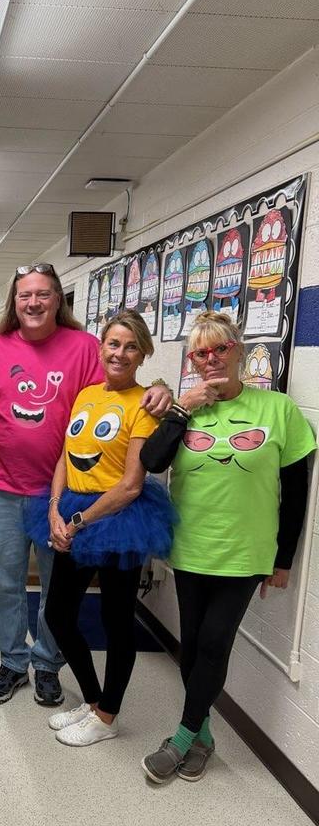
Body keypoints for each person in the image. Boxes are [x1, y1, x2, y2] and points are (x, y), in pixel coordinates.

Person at [0, 263, 171, 707]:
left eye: (43, 294)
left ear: (58, 300)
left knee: (54, 589)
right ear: (14, 302)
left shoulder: (86, 346)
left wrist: (162, 387)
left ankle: (47, 663)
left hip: (63, 493)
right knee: (5, 582)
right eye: (25, 295)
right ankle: (11, 661)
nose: (34, 303)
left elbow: (121, 382)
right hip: (8, 487)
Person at [140, 311, 315, 783]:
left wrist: (283, 558)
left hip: (245, 552)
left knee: (216, 642)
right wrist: (182, 409)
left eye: (221, 348)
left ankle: (179, 739)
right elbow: (150, 461)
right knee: (193, 646)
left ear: (238, 350)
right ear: (192, 360)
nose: (212, 358)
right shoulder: (186, 406)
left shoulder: (277, 409)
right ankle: (204, 735)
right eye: (201, 352)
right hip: (191, 546)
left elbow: (296, 489)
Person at [26, 312, 175, 746]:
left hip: (117, 518)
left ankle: (108, 717)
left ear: (143, 353)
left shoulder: (144, 405)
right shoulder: (87, 394)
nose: (120, 353)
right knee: (57, 613)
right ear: (101, 348)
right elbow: (65, 457)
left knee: (115, 620)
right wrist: (55, 508)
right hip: (71, 506)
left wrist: (76, 522)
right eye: (113, 343)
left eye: (131, 346)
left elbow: (131, 485)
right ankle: (93, 702)